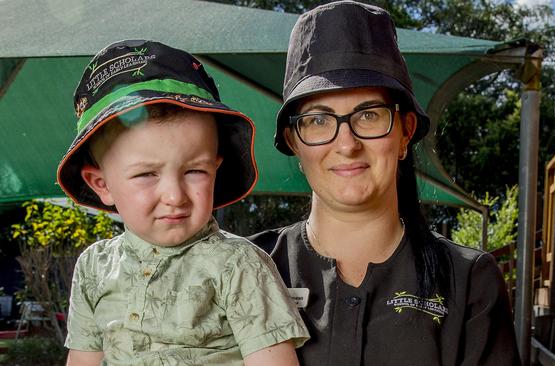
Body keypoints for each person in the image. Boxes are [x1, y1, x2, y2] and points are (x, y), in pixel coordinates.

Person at [248, 1, 521, 365]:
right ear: (294, 141)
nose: (347, 144)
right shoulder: (245, 268)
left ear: (405, 132)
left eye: (369, 115)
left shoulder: (469, 281)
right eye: (318, 121)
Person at [57, 40, 309, 366]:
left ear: (215, 170)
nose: (175, 196)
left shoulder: (238, 264)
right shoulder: (93, 267)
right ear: (101, 184)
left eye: (194, 171)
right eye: (147, 174)